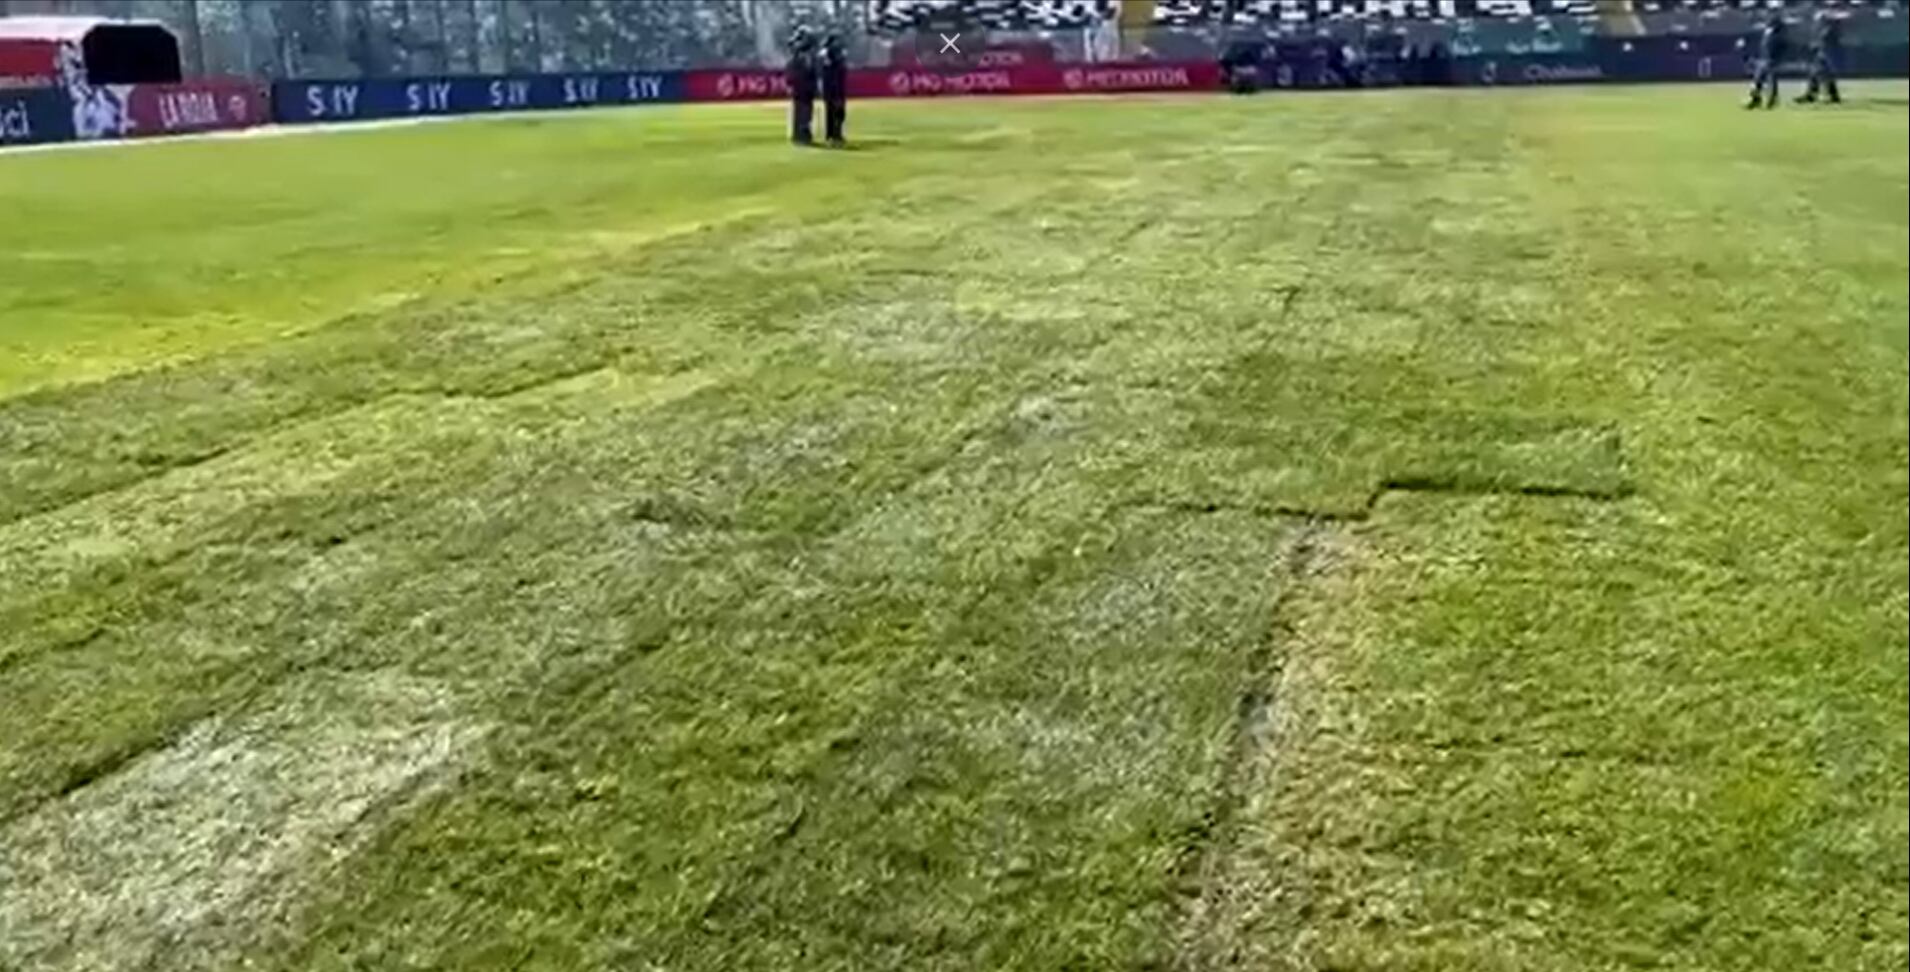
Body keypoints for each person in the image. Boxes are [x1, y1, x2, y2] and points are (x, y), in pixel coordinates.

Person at [1796, 11, 1843, 105]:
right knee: (1817, 75)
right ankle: (1827, 96)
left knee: (1821, 75)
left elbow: (1827, 44)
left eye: (1819, 20)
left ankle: (1816, 96)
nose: (1817, 23)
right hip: (1823, 55)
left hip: (1826, 56)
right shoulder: (1827, 29)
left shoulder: (1828, 30)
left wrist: (1817, 47)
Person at [1745, 12, 1787, 110]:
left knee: (1770, 81)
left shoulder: (1778, 35)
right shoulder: (1768, 32)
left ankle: (1771, 101)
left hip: (1771, 60)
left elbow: (1781, 48)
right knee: (1757, 81)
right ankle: (1756, 99)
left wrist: (1777, 59)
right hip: (1764, 60)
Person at [786, 26, 818, 146]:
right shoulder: (798, 53)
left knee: (804, 111)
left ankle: (802, 133)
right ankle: (801, 134)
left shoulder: (804, 53)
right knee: (802, 110)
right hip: (801, 85)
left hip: (805, 85)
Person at [820, 32, 848, 146]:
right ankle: (834, 135)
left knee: (834, 113)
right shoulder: (831, 54)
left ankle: (833, 134)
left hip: (834, 88)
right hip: (833, 88)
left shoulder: (829, 54)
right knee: (835, 113)